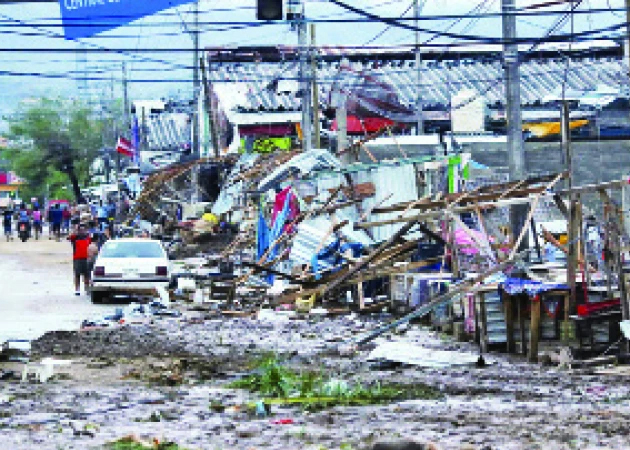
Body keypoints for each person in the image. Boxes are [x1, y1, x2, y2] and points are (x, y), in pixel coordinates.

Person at [68, 224, 92, 296]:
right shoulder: (75, 238)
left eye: (83, 229)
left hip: (87, 258)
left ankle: (87, 288)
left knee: (87, 275)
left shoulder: (88, 237)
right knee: (77, 274)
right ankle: (77, 289)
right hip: (77, 258)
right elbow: (69, 237)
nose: (82, 231)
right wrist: (75, 229)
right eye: (80, 230)